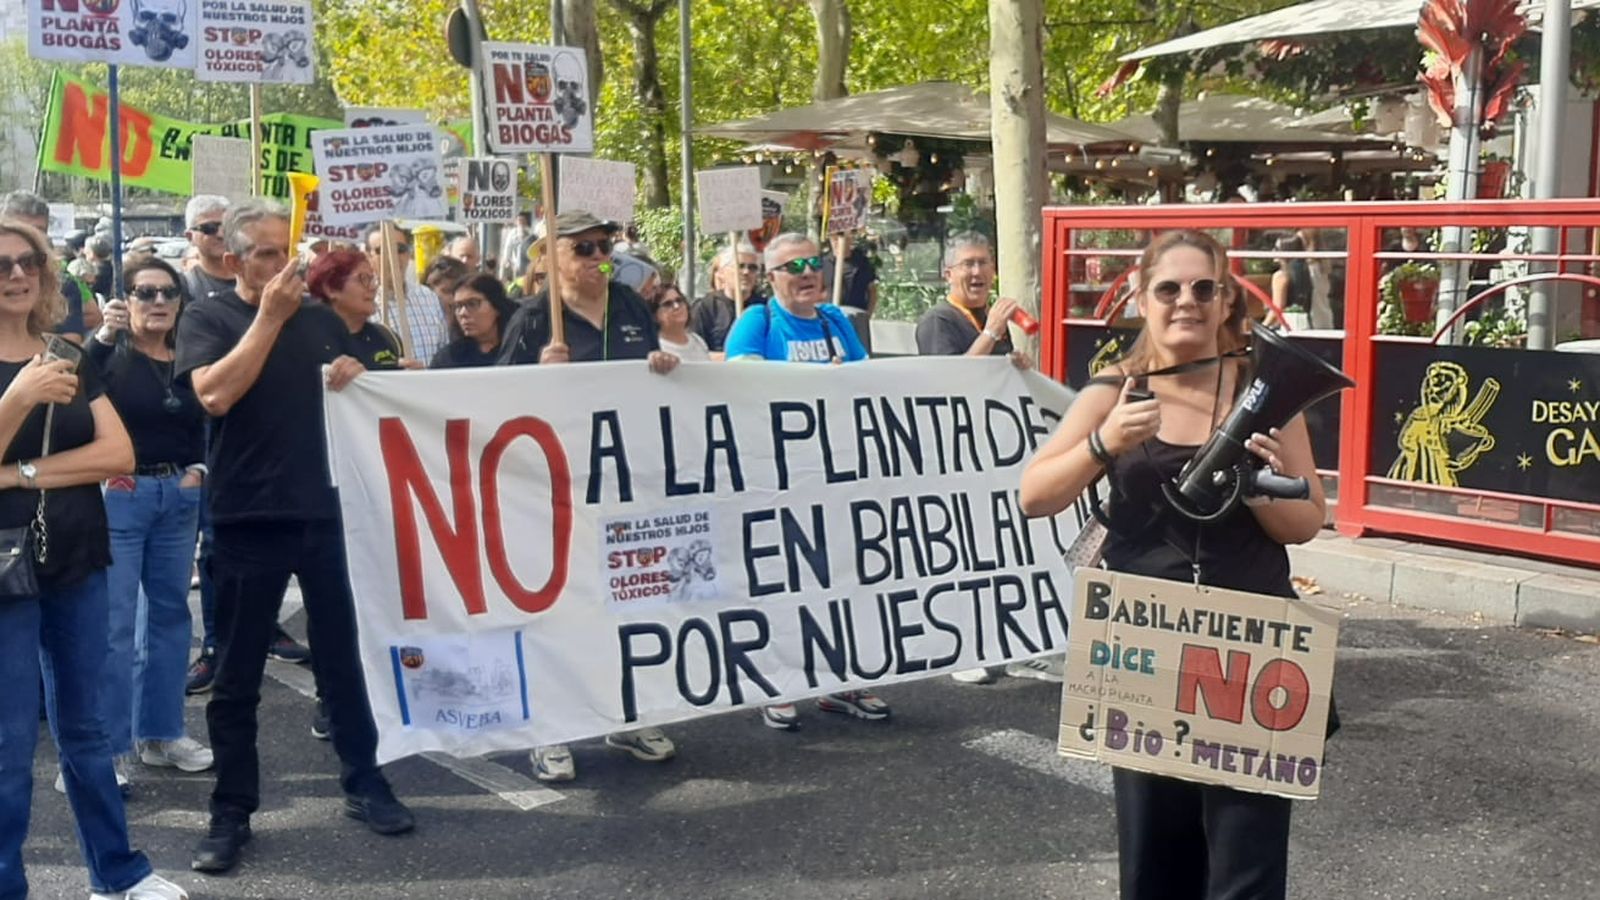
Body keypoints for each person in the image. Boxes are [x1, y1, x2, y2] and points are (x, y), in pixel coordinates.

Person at [1019, 229, 1326, 900]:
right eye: (1168, 288)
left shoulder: (1265, 392)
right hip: (1144, 649)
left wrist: (1256, 485)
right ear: (1141, 299)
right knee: (1156, 856)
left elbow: (1307, 521)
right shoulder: (1114, 393)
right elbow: (1035, 495)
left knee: (1250, 856)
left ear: (1224, 303)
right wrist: (1103, 443)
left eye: (1202, 288)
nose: (1185, 301)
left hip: (1251, 648)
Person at [176, 200, 414, 874]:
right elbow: (214, 396)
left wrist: (355, 376)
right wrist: (268, 319)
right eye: (268, 254)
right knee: (236, 678)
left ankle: (364, 781)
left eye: (290, 251)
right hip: (248, 518)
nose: (286, 266)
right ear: (232, 261)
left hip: (328, 514)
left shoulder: (317, 320)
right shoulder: (209, 316)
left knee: (343, 663)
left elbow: (373, 391)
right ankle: (231, 811)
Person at [0, 218, 189, 900]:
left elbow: (118, 456)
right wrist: (17, 397)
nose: (18, 274)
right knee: (8, 749)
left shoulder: (66, 353)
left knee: (88, 733)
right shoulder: (36, 370)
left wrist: (18, 471)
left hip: (76, 555)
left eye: (29, 263)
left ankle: (117, 875)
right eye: (2, 266)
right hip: (4, 574)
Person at [498, 208, 681, 782]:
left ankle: (626, 712)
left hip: (625, 482)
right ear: (550, 259)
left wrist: (661, 364)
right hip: (555, 487)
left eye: (606, 246)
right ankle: (549, 729)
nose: (601, 258)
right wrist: (535, 374)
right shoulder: (532, 317)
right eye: (584, 249)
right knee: (560, 608)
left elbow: (648, 371)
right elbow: (491, 400)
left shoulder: (628, 306)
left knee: (627, 597)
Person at [723, 233, 889, 730]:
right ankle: (777, 679)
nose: (807, 273)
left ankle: (843, 679)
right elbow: (737, 384)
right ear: (771, 278)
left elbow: (867, 380)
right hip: (779, 477)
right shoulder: (757, 322)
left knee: (845, 574)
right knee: (784, 580)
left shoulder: (838, 319)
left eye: (813, 262)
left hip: (838, 474)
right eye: (793, 266)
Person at [88, 256, 214, 793]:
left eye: (167, 293)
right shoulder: (107, 358)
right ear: (125, 300)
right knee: (113, 629)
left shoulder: (189, 356)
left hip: (177, 497)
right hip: (121, 497)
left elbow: (211, 414)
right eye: (144, 293)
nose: (157, 302)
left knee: (168, 620)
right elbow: (69, 394)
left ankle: (161, 735)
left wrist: (200, 470)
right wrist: (100, 335)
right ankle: (109, 750)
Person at [913, 232, 1046, 686]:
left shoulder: (986, 318)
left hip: (990, 455)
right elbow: (949, 381)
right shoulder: (939, 320)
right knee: (962, 558)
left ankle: (1006, 642)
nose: (976, 273)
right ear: (947, 273)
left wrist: (1015, 367)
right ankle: (961, 649)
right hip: (953, 457)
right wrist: (990, 333)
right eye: (967, 264)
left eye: (983, 263)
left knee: (998, 553)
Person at [306, 248, 414, 371]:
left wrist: (411, 379)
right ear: (331, 289)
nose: (373, 287)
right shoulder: (306, 342)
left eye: (372, 279)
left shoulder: (387, 337)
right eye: (363, 279)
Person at [1, 190, 87, 341]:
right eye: (21, 230)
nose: (18, 274)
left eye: (38, 231)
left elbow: (70, 347)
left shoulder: (63, 284)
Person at [360, 222, 450, 362]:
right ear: (368, 257)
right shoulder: (362, 302)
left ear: (409, 254)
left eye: (400, 249)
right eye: (383, 250)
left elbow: (444, 353)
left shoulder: (428, 297)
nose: (393, 256)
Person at [689, 240, 764, 355]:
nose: (746, 272)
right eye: (740, 266)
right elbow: (694, 352)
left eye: (752, 268)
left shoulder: (765, 308)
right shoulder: (705, 307)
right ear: (722, 273)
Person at [431, 273, 516, 368]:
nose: (463, 313)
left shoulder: (520, 350)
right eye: (458, 306)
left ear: (496, 306)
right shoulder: (447, 359)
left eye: (472, 304)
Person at [182, 195, 233, 302]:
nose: (220, 234)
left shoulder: (257, 280)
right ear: (190, 237)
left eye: (226, 227)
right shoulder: (184, 287)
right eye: (210, 228)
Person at [650, 283, 709, 362]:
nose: (676, 306)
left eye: (679, 300)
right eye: (667, 304)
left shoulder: (698, 341)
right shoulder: (655, 348)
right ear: (654, 315)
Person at [1269, 234, 1313, 330]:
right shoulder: (1305, 274)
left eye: (1276, 248)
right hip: (1305, 325)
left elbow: (1276, 309)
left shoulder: (1281, 276)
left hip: (1287, 326)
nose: (1272, 251)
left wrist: (1262, 327)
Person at [498, 211, 533, 281]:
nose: (521, 222)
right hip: (515, 263)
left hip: (528, 262)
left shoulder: (530, 232)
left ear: (525, 221)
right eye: (519, 220)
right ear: (516, 222)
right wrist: (507, 259)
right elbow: (508, 247)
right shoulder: (512, 233)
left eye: (522, 220)